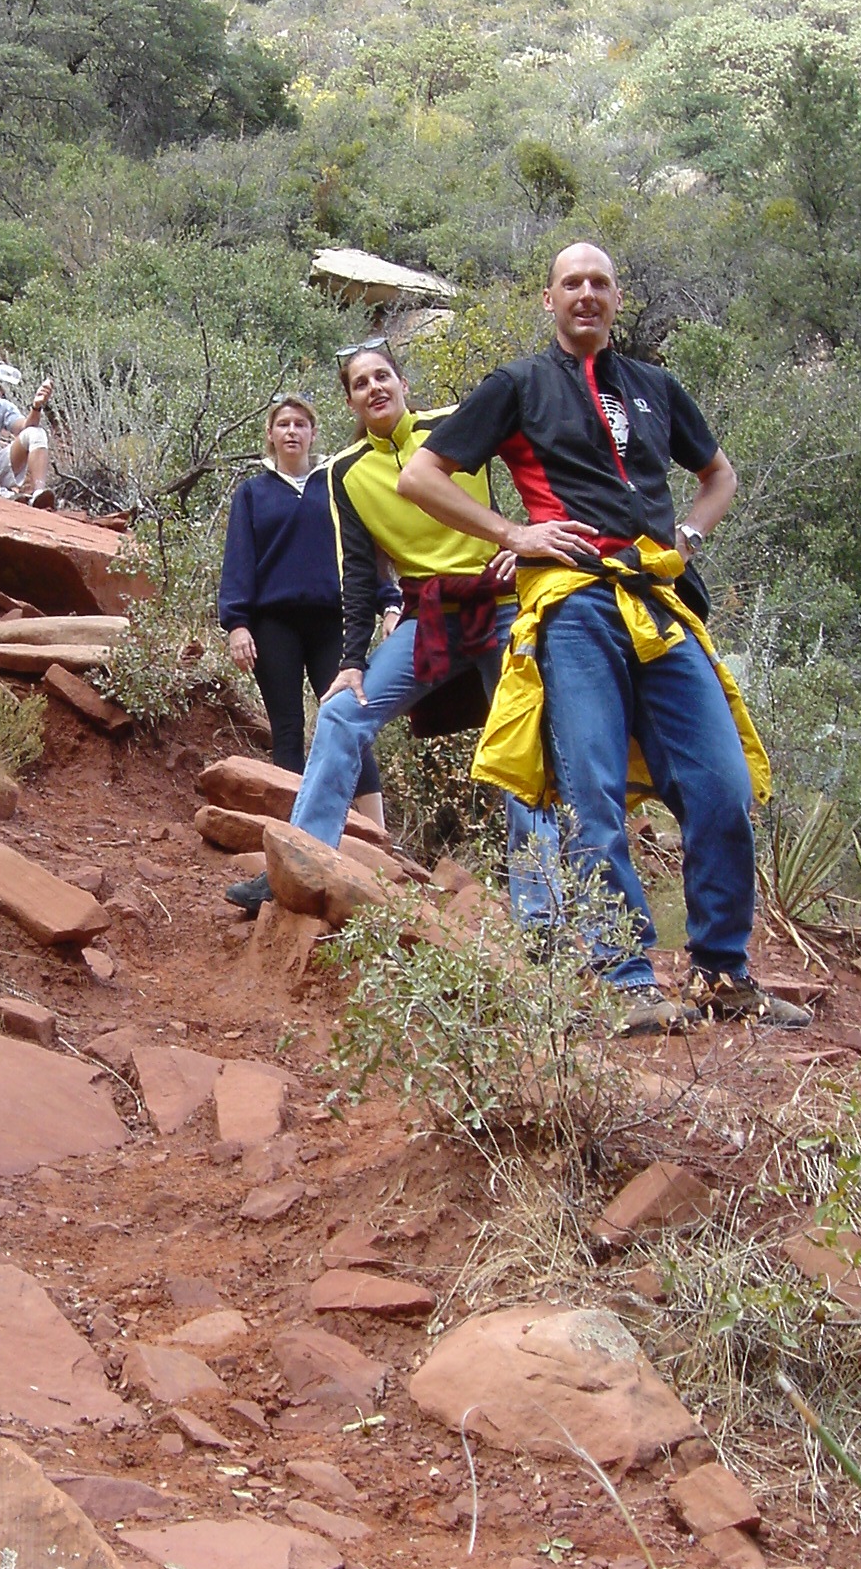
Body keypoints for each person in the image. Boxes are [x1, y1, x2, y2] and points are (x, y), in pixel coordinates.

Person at [397, 240, 808, 1033]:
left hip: (659, 601)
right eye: (571, 283)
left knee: (722, 786)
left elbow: (718, 474)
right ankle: (625, 980)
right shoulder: (518, 384)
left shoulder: (656, 387)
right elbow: (421, 475)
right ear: (549, 299)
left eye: (600, 282)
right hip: (575, 604)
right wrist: (514, 534)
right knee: (593, 793)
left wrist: (689, 534)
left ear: (617, 299)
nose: (586, 293)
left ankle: (723, 975)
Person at [224, 340, 557, 923]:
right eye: (360, 383)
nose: (374, 388)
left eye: (383, 376)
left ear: (403, 384)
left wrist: (528, 537)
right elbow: (359, 569)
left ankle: (541, 914)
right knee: (341, 712)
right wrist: (353, 660)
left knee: (522, 743)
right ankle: (296, 868)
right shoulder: (345, 472)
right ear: (350, 403)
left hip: (501, 603)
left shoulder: (454, 423)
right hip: (432, 617)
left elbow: (536, 467)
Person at [217, 392, 384, 828]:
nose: (292, 431)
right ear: (270, 435)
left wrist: (388, 600)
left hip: (333, 622)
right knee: (287, 728)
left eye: (300, 424)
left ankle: (380, 836)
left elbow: (364, 550)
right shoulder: (253, 493)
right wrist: (237, 623)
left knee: (349, 720)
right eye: (283, 424)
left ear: (313, 432)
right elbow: (239, 561)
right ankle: (293, 834)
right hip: (274, 626)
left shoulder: (336, 484)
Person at [0, 354, 54, 505]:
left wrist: (36, 406)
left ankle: (39, 493)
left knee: (36, 433)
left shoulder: (1, 405)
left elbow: (24, 428)